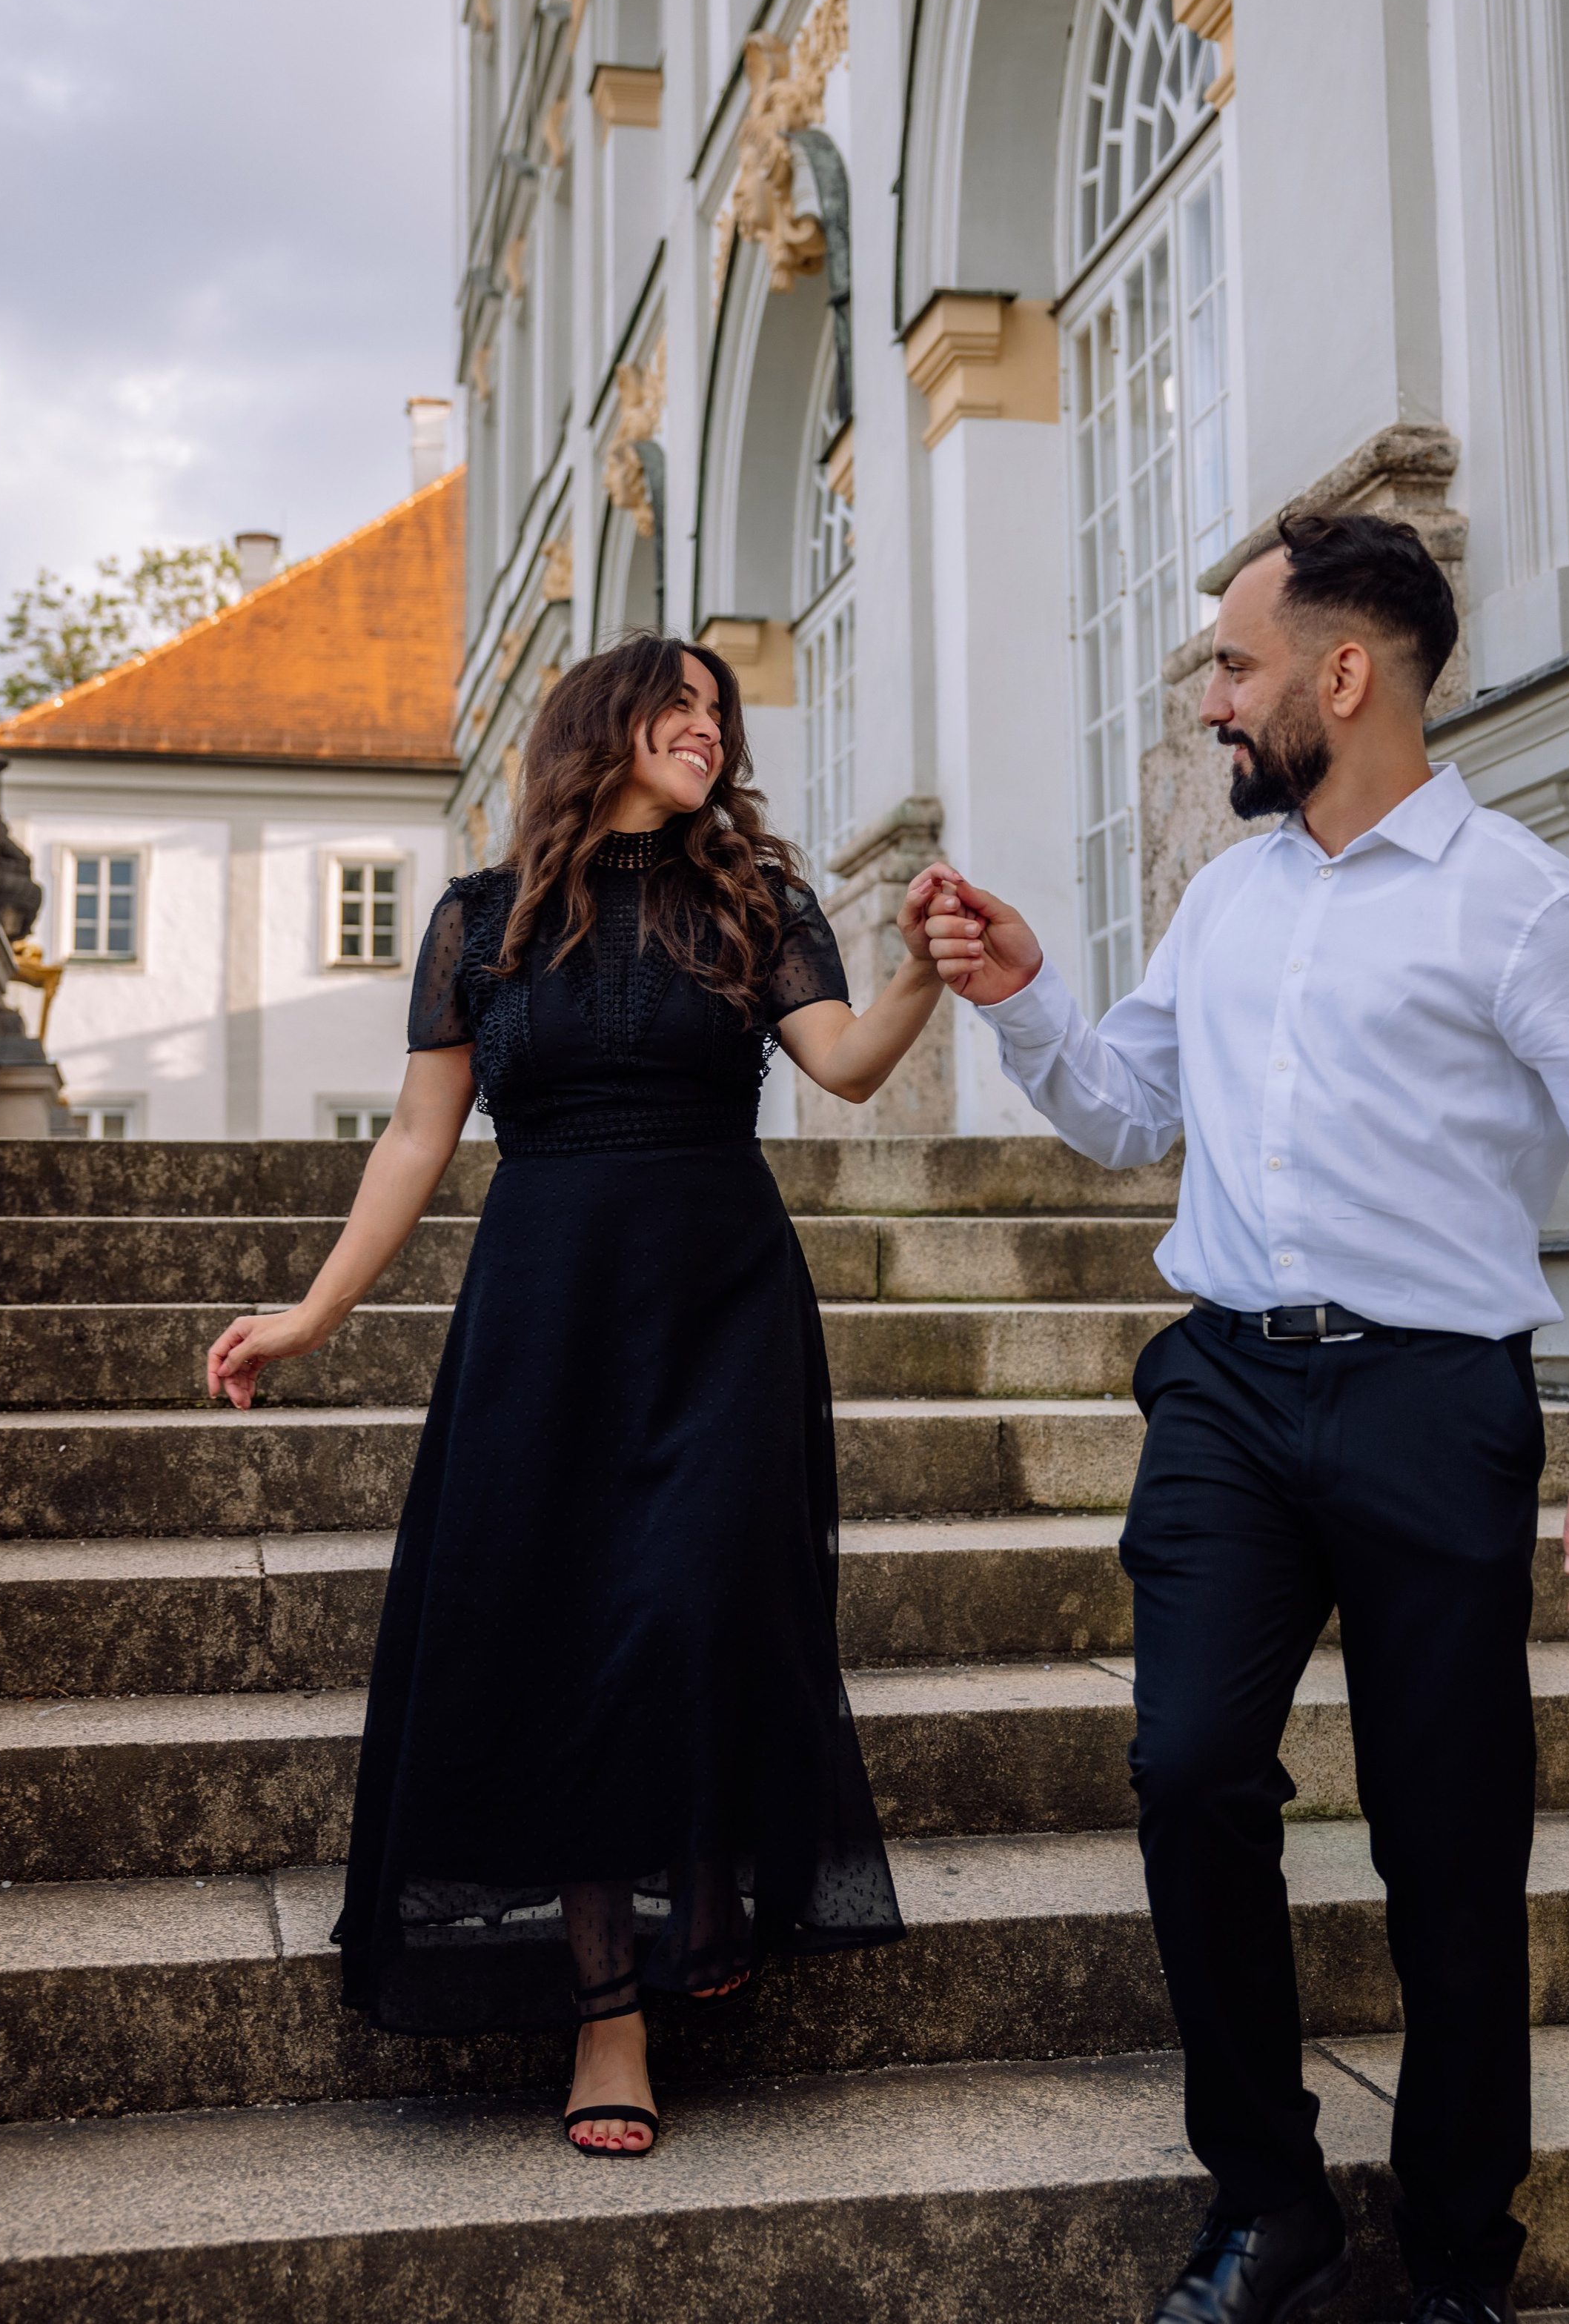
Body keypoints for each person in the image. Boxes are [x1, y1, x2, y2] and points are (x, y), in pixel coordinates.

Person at [908, 511, 1569, 2324]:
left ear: (1339, 677)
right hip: (1225, 1388)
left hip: (1432, 1399)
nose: (1213, 701)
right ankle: (1263, 2200)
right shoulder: (1226, 898)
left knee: (1447, 1836)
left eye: (1233, 666)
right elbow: (1127, 1112)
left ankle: (1453, 2257)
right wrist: (1026, 989)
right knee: (1186, 1765)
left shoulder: (1513, 894)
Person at [208, 634, 949, 2157]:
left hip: (722, 1307)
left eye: (717, 711)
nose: (706, 727)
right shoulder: (481, 920)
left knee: (687, 1606)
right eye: (679, 704)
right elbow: (418, 1135)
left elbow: (848, 1064)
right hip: (545, 1313)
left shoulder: (754, 900)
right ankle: (608, 2008)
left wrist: (924, 974)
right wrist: (313, 1308)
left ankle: (705, 1899)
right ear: (603, 725)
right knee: (566, 1629)